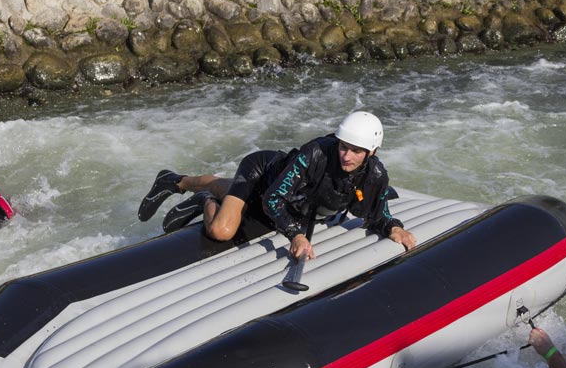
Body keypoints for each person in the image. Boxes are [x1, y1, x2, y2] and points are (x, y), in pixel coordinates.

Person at [137, 111, 417, 259]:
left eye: (356, 151)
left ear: (372, 153)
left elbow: (377, 213)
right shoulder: (316, 153)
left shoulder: (375, 175)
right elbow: (273, 199)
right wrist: (295, 235)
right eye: (344, 147)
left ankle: (204, 188)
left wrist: (394, 227)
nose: (346, 155)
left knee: (232, 188)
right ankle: (192, 191)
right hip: (263, 174)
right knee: (222, 230)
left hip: (288, 195)